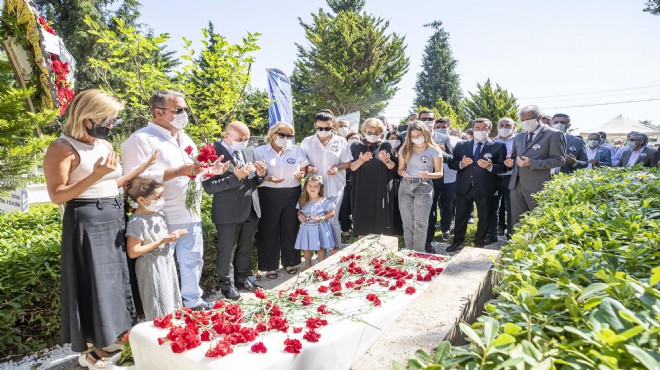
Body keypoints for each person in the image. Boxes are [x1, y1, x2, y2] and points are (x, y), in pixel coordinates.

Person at [44, 89, 156, 367]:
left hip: (113, 214)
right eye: (108, 119)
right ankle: (92, 347)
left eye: (114, 121)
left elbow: (109, 183)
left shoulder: (104, 145)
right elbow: (57, 195)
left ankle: (115, 337)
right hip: (86, 219)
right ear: (86, 116)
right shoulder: (62, 147)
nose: (111, 126)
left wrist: (140, 169)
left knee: (117, 280)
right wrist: (95, 174)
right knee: (94, 281)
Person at [122, 90, 219, 311]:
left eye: (185, 109)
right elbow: (135, 181)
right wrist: (178, 171)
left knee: (193, 261)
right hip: (161, 215)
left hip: (190, 213)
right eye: (179, 110)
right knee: (161, 266)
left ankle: (193, 302)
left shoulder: (186, 139)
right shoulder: (140, 139)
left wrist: (210, 171)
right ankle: (167, 309)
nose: (185, 114)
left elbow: (193, 172)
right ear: (159, 112)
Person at [202, 121, 267, 300]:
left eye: (246, 138)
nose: (244, 142)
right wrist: (235, 178)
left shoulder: (248, 151)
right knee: (227, 250)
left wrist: (261, 176)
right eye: (240, 139)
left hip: (250, 208)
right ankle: (226, 285)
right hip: (227, 211)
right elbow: (209, 187)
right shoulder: (213, 153)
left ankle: (242, 278)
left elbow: (252, 181)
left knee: (245, 247)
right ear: (226, 135)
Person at [125, 177, 185, 321]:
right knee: (158, 302)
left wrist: (172, 237)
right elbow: (133, 252)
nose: (161, 199)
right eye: (157, 197)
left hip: (166, 263)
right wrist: (161, 241)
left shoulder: (159, 214)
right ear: (141, 200)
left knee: (171, 298)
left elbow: (163, 237)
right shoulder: (137, 222)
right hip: (150, 268)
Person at [253, 122, 307, 279]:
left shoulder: (296, 150)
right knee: (269, 230)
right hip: (268, 193)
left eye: (289, 136)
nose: (286, 138)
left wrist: (301, 174)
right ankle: (270, 266)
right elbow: (257, 174)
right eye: (282, 135)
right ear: (272, 134)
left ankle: (290, 262)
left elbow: (303, 168)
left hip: (292, 193)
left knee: (290, 228)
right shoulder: (260, 151)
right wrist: (268, 177)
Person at [447, 118, 507, 252]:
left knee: (484, 216)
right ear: (473, 129)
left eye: (484, 128)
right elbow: (452, 163)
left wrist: (491, 166)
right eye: (477, 128)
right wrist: (462, 164)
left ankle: (479, 243)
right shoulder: (461, 145)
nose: (480, 131)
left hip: (486, 187)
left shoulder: (498, 146)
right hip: (464, 186)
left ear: (490, 130)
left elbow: (503, 167)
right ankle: (458, 241)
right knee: (461, 215)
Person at [505, 105, 566, 229]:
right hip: (516, 185)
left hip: (538, 186)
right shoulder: (519, 136)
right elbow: (515, 157)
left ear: (540, 117)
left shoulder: (554, 134)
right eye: (523, 120)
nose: (526, 122)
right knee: (517, 221)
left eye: (529, 119)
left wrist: (532, 163)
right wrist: (511, 162)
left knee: (537, 222)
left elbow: (559, 160)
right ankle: (515, 246)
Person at [301, 111, 352, 246]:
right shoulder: (307, 142)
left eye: (327, 128)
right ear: (315, 126)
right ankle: (320, 249)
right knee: (315, 219)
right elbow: (301, 164)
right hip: (314, 190)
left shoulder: (341, 141)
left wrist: (337, 168)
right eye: (320, 128)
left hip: (335, 186)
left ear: (333, 126)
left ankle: (336, 247)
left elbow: (347, 162)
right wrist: (308, 168)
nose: (323, 131)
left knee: (332, 218)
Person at [398, 121, 444, 252]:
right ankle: (408, 251)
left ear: (425, 133)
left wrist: (428, 174)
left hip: (423, 186)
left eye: (419, 135)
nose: (416, 138)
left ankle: (418, 252)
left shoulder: (434, 150)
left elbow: (440, 173)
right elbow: (400, 169)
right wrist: (403, 173)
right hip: (406, 186)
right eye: (413, 136)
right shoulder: (405, 149)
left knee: (421, 223)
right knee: (407, 223)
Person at [349, 117, 397, 237]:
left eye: (376, 133)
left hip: (381, 187)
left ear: (381, 133)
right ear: (364, 131)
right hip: (362, 188)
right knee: (363, 218)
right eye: (369, 133)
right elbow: (351, 168)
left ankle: (381, 246)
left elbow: (393, 168)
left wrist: (386, 161)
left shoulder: (386, 145)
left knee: (381, 217)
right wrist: (361, 160)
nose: (373, 135)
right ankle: (362, 246)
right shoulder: (356, 146)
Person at [295, 175, 336, 268]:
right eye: (310, 185)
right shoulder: (303, 199)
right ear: (305, 186)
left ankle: (320, 266)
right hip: (307, 228)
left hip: (320, 227)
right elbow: (299, 211)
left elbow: (332, 213)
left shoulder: (324, 201)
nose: (312, 188)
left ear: (320, 187)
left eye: (316, 186)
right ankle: (308, 266)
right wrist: (300, 215)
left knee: (321, 247)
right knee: (307, 248)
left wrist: (321, 218)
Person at [425, 117, 453, 251]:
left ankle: (445, 228)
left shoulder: (443, 138)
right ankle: (426, 237)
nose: (427, 121)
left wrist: (441, 152)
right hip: (424, 179)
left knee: (446, 205)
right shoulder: (414, 136)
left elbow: (451, 158)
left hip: (445, 178)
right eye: (423, 119)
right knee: (430, 209)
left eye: (429, 119)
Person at [487, 118, 516, 241]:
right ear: (497, 128)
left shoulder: (519, 141)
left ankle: (511, 236)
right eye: (502, 125)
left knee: (511, 208)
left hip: (511, 178)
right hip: (493, 178)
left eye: (508, 125)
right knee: (492, 207)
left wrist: (513, 163)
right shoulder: (491, 142)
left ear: (514, 127)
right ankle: (491, 235)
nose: (504, 128)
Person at [339, 132, 362, 237]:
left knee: (357, 206)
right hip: (345, 182)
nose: (355, 140)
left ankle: (358, 229)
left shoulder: (362, 151)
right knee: (344, 206)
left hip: (359, 182)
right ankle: (345, 230)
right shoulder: (343, 151)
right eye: (352, 138)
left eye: (357, 138)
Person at [386, 131, 404, 235]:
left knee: (399, 206)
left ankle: (398, 229)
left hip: (400, 181)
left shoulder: (403, 151)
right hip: (388, 181)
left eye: (397, 138)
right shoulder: (385, 151)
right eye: (391, 138)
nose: (394, 141)